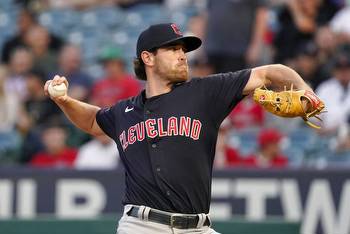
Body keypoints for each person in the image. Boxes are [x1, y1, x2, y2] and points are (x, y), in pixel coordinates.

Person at [44, 23, 321, 234]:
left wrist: (306, 92)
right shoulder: (125, 111)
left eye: (183, 50)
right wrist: (64, 100)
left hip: (198, 227)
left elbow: (270, 72)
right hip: (142, 227)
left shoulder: (205, 92)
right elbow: (93, 121)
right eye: (173, 49)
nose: (182, 55)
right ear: (148, 58)